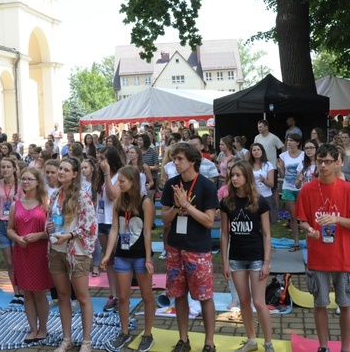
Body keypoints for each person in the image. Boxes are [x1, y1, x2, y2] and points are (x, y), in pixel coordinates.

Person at [296, 144, 350, 352]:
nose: (323, 166)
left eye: (328, 162)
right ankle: (323, 346)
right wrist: (310, 230)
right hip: (318, 256)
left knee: (345, 304)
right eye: (320, 161)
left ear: (338, 163)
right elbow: (302, 220)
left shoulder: (347, 189)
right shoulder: (308, 189)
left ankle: (345, 348)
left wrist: (337, 219)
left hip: (343, 257)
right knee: (320, 303)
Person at [160, 142, 219, 352]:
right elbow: (164, 218)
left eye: (180, 159)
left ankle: (209, 342)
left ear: (192, 161)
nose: (175, 163)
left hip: (198, 249)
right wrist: (177, 206)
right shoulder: (171, 185)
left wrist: (186, 205)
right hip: (176, 247)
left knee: (204, 296)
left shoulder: (207, 186)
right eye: (174, 159)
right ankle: (183, 340)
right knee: (178, 295)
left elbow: (209, 221)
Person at [219, 160, 274, 352]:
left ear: (247, 177)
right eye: (232, 175)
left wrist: (267, 262)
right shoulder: (227, 202)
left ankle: (268, 343)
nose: (234, 179)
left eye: (238, 175)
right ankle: (251, 340)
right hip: (236, 258)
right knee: (243, 301)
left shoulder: (259, 201)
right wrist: (224, 262)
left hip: (256, 257)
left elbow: (267, 234)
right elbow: (224, 234)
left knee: (259, 302)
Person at [101, 165, 156, 352]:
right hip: (122, 256)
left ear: (132, 182)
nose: (119, 184)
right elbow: (114, 230)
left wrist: (148, 258)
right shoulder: (118, 201)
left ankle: (148, 334)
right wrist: (108, 255)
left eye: (122, 181)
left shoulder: (145, 202)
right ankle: (124, 332)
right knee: (123, 297)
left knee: (147, 296)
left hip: (141, 256)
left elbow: (148, 232)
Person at [47, 158, 98, 352]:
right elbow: (50, 220)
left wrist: (69, 235)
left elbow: (90, 226)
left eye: (66, 170)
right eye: (60, 168)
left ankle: (86, 341)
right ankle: (66, 339)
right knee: (62, 295)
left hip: (77, 251)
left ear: (75, 174)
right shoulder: (55, 195)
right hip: (56, 249)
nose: (61, 172)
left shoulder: (82, 196)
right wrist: (48, 227)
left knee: (83, 297)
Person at [8, 166, 54, 344]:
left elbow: (53, 229)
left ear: (37, 182)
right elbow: (10, 229)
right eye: (23, 179)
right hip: (22, 252)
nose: (26, 182)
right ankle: (32, 329)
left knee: (40, 293)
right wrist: (18, 238)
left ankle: (43, 328)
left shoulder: (46, 203)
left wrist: (39, 235)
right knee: (27, 293)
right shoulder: (15, 204)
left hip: (40, 252)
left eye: (29, 179)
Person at [96, 147, 124, 312]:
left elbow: (113, 195)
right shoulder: (99, 175)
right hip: (101, 222)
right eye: (99, 159)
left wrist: (107, 174)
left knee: (120, 261)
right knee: (109, 262)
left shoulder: (120, 174)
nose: (101, 162)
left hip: (115, 223)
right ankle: (113, 295)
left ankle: (122, 295)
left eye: (103, 159)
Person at [0, 157, 23, 304]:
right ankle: (16, 293)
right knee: (10, 263)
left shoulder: (21, 185)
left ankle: (24, 291)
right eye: (2, 167)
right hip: (2, 225)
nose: (5, 169)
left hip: (17, 225)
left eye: (7, 167)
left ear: (14, 168)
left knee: (20, 261)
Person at [277, 133, 305, 252]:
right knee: (293, 216)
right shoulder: (283, 156)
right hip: (288, 187)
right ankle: (296, 243)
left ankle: (311, 240)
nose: (289, 142)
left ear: (298, 143)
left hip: (302, 187)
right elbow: (282, 175)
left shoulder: (304, 155)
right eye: (288, 140)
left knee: (304, 216)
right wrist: (279, 169)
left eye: (292, 140)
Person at [249, 143, 278, 225]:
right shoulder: (248, 165)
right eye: (254, 150)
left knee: (266, 224)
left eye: (258, 149)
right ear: (251, 152)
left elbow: (272, 184)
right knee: (254, 223)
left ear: (262, 151)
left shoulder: (268, 165)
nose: (256, 152)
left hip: (266, 197)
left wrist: (263, 180)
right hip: (253, 197)